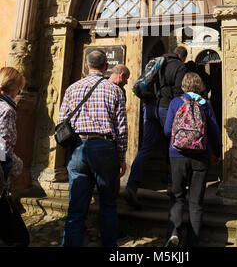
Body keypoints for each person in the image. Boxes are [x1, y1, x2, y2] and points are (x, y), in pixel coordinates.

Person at [58, 50, 128, 247]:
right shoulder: (114, 90)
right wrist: (122, 157)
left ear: (87, 67)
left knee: (76, 207)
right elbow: (121, 128)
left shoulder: (72, 88)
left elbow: (62, 121)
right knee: (107, 204)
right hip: (105, 148)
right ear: (106, 67)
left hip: (78, 148)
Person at [124, 46, 188, 209]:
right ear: (183, 58)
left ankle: (131, 186)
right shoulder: (179, 67)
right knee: (174, 146)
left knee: (145, 148)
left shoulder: (156, 63)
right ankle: (173, 186)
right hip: (167, 108)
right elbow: (179, 92)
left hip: (150, 108)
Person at [164, 72, 222, 247]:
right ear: (200, 86)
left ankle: (174, 234)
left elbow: (167, 130)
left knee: (177, 196)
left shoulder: (176, 102)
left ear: (183, 86)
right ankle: (193, 241)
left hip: (177, 155)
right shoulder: (205, 104)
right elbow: (214, 132)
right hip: (200, 157)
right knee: (196, 202)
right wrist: (217, 153)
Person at [0, 67, 25, 195]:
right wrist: (11, 165)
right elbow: (3, 144)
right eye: (19, 89)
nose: (18, 92)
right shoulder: (7, 110)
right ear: (13, 88)